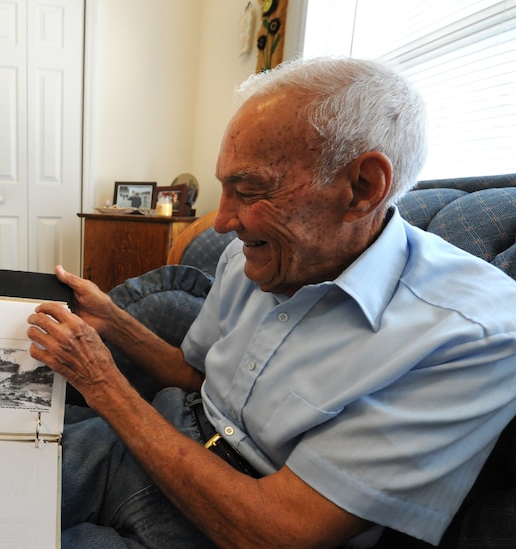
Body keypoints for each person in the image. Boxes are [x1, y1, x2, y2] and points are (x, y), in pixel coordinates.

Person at [26, 57, 516, 548]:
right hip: (158, 434)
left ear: (362, 188)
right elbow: (196, 377)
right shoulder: (255, 256)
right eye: (224, 187)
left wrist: (104, 385)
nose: (222, 222)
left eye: (251, 189)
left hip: (224, 523)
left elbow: (276, 534)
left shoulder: (472, 332)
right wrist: (113, 321)